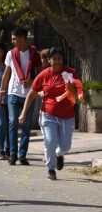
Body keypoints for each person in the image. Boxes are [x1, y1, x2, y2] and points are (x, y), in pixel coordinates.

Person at [19, 47, 79, 180]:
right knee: (50, 142)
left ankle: (59, 155)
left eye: (60, 59)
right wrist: (23, 113)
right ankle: (51, 169)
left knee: (65, 146)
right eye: (54, 59)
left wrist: (71, 89)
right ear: (49, 60)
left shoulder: (71, 73)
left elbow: (78, 97)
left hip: (67, 116)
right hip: (48, 115)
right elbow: (31, 94)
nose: (57, 61)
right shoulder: (43, 75)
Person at [0, 27, 42, 166]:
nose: (12, 41)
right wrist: (1, 94)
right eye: (12, 38)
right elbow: (6, 74)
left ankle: (22, 155)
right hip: (13, 93)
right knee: (12, 122)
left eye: (14, 38)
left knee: (27, 125)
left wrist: (32, 81)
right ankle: (12, 154)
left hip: (29, 94)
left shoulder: (34, 53)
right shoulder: (11, 54)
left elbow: (39, 74)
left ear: (22, 38)